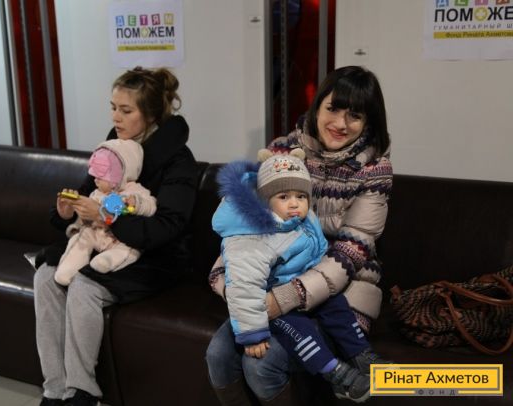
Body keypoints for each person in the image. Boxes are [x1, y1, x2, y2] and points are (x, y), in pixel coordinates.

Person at [206, 65, 393, 405]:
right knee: (218, 355)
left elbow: (352, 250)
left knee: (261, 363)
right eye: (333, 108)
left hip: (342, 287)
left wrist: (286, 297)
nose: (340, 123)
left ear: (368, 122)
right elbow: (249, 222)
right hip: (274, 274)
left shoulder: (374, 168)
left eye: (354, 115)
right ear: (317, 106)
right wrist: (226, 276)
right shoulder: (281, 151)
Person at [34, 67, 198, 406]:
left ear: (150, 114)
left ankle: (82, 392)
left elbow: (168, 227)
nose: (115, 117)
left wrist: (106, 218)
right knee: (46, 277)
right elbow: (86, 193)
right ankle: (55, 389)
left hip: (154, 256)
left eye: (125, 110)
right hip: (103, 241)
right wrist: (66, 212)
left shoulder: (178, 161)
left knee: (84, 286)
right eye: (113, 108)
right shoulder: (113, 148)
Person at [212, 151, 381, 404]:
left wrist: (309, 287)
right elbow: (244, 286)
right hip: (271, 299)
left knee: (338, 307)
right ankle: (335, 373)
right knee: (298, 330)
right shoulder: (253, 238)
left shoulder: (299, 220)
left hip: (307, 286)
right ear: (265, 201)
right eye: (283, 197)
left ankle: (362, 355)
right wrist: (253, 334)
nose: (295, 204)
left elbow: (321, 251)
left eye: (301, 196)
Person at [54, 139, 156, 286]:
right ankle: (67, 270)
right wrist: (70, 212)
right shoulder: (97, 193)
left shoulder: (135, 191)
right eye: (94, 176)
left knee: (130, 250)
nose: (95, 181)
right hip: (97, 234)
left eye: (100, 177)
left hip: (120, 240)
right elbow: (86, 219)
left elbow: (151, 205)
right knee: (81, 236)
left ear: (121, 174)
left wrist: (136, 203)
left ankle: (107, 261)